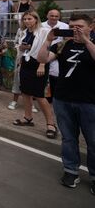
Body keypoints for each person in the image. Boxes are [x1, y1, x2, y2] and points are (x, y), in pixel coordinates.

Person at [37, 13, 95, 193]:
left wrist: (86, 41)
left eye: (79, 26)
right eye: (71, 26)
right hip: (63, 99)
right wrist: (47, 41)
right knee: (69, 138)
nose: (75, 30)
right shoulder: (62, 45)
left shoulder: (91, 45)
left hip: (89, 101)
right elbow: (42, 59)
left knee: (93, 140)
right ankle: (71, 170)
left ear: (90, 27)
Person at [12, 11, 57, 139]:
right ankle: (28, 118)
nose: (27, 21)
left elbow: (48, 48)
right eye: (25, 19)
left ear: (36, 19)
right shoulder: (24, 32)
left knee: (39, 95)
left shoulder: (44, 31)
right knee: (25, 92)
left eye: (29, 19)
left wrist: (42, 64)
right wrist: (21, 48)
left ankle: (51, 124)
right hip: (26, 64)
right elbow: (19, 47)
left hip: (39, 64)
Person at [41, 9, 69, 103]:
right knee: (44, 77)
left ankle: (54, 98)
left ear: (59, 17)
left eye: (56, 16)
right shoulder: (41, 25)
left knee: (55, 76)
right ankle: (44, 97)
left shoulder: (64, 26)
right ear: (47, 16)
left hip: (57, 55)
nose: (54, 18)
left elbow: (67, 40)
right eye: (52, 15)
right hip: (44, 53)